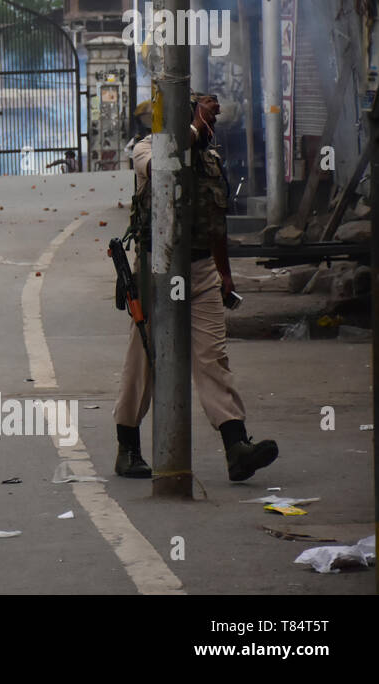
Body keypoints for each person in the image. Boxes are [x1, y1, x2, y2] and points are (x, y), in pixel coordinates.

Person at [113, 93, 279, 482]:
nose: (210, 128)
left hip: (201, 270)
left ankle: (236, 447)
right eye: (204, 120)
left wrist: (225, 274)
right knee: (144, 358)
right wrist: (192, 126)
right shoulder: (146, 148)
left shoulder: (209, 159)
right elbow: (162, 168)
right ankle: (128, 447)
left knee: (212, 358)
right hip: (157, 269)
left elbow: (215, 222)